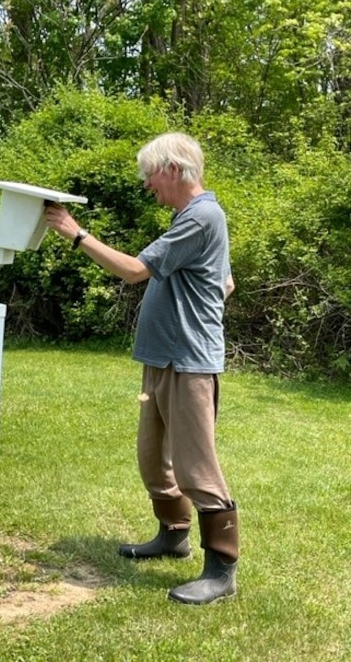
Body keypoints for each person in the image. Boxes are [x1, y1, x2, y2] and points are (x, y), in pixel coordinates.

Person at [45, 131, 238, 605]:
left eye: (149, 175)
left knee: (197, 469)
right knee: (154, 461)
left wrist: (76, 234)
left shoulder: (201, 216)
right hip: (162, 358)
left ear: (172, 169)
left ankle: (221, 571)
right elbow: (226, 282)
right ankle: (173, 536)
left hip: (189, 363)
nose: (146, 185)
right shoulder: (188, 217)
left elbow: (134, 270)